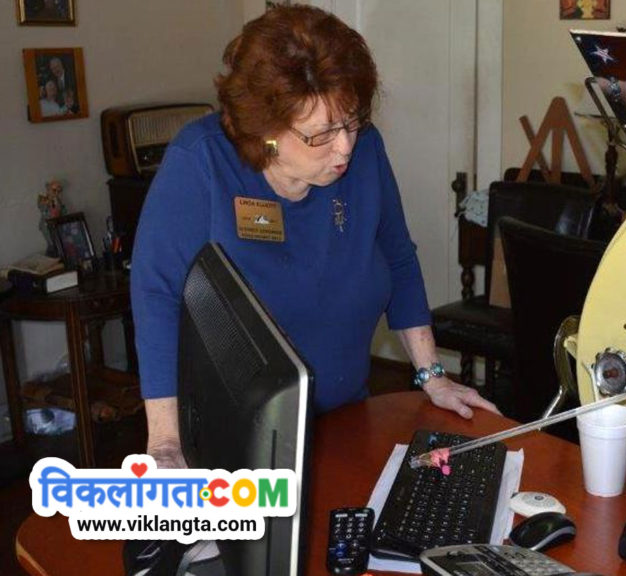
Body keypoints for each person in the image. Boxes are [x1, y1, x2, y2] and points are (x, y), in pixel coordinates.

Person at [131, 5, 498, 469]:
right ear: (265, 131)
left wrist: (432, 375)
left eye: (351, 121)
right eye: (321, 135)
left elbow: (398, 258)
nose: (344, 146)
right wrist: (165, 443)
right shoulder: (201, 162)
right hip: (233, 440)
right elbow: (156, 295)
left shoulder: (365, 153)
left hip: (344, 418)